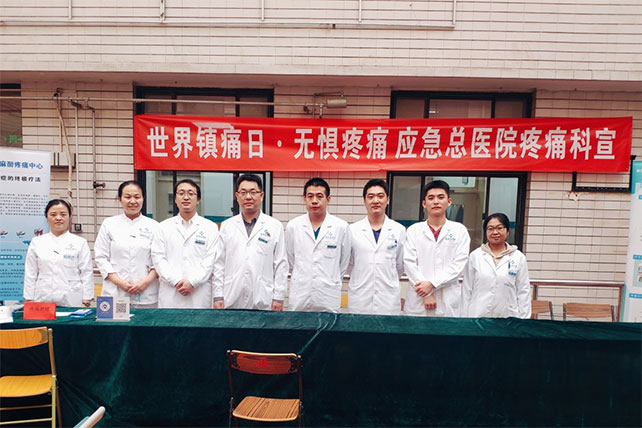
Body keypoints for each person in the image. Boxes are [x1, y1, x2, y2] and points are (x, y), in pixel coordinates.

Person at [212, 174, 288, 310]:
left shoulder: (274, 226)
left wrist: (278, 297)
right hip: (231, 297)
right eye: (243, 192)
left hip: (264, 299)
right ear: (237, 196)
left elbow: (280, 264)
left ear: (261, 195)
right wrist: (218, 296)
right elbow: (219, 263)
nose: (248, 197)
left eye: (253, 192)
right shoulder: (227, 226)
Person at [403, 180, 470, 317]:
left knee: (447, 331)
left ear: (449, 201)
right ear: (424, 203)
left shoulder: (459, 231)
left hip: (448, 299)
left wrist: (432, 284)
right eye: (431, 198)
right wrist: (426, 293)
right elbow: (409, 263)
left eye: (440, 197)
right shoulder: (413, 231)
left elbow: (458, 265)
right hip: (419, 299)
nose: (436, 202)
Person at [151, 179, 218, 308]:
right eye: (181, 193)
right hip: (170, 292)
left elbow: (210, 260)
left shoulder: (210, 227)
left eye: (191, 193)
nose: (186, 197)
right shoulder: (163, 227)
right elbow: (158, 258)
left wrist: (192, 282)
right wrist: (176, 281)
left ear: (198, 200)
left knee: (199, 321)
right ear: (175, 199)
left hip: (199, 292)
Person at [286, 177, 350, 313]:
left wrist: (331, 278)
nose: (314, 201)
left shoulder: (341, 227)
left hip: (328, 295)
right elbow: (290, 260)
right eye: (310, 196)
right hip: (300, 294)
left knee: (328, 326)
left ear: (328, 199)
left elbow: (344, 262)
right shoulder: (293, 226)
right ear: (304, 199)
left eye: (319, 196)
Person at [94, 180, 160, 308]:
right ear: (120, 199)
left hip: (146, 292)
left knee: (145, 321)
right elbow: (101, 257)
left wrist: (145, 282)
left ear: (143, 198)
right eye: (128, 197)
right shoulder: (109, 224)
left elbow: (159, 259)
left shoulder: (154, 226)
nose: (133, 201)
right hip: (115, 291)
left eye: (137, 197)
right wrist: (119, 282)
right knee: (115, 321)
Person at [347, 179, 405, 315]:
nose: (375, 201)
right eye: (371, 196)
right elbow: (349, 264)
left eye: (380, 196)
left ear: (388, 200)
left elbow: (399, 265)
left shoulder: (399, 230)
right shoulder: (352, 230)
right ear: (364, 201)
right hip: (360, 296)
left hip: (388, 297)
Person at [23, 199, 93, 307]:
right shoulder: (37, 242)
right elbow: (31, 272)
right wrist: (29, 298)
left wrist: (87, 299)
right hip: (43, 298)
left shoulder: (80, 242)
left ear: (69, 217)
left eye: (63, 214)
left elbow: (86, 272)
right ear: (46, 217)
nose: (58, 218)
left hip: (72, 299)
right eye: (53, 214)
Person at [461, 213, 532, 318]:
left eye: (500, 228)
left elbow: (523, 291)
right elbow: (466, 290)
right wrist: (464, 319)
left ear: (508, 231)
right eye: (490, 229)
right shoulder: (475, 256)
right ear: (486, 232)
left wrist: (523, 320)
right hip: (478, 316)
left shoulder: (518, 257)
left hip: (508, 318)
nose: (495, 232)